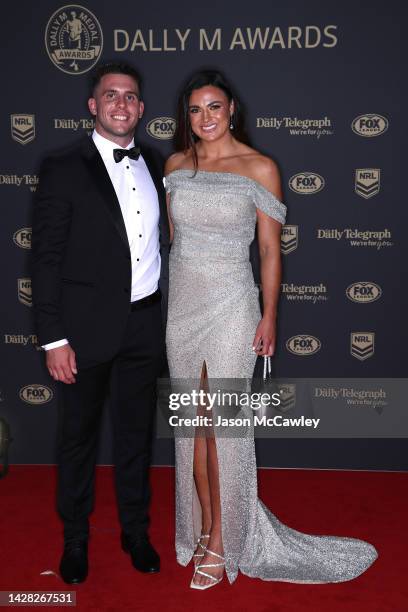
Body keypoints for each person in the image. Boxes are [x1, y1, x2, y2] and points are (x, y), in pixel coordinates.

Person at [164, 70, 377, 590]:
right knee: (191, 427)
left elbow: (267, 250)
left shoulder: (260, 167)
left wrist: (270, 314)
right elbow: (174, 242)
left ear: (231, 108)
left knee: (225, 429)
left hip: (234, 305)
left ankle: (223, 540)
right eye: (195, 110)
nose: (205, 119)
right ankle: (201, 524)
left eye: (214, 107)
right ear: (185, 117)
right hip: (183, 310)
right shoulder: (174, 165)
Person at [31, 62, 169, 584]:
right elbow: (45, 259)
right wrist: (54, 338)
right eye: (110, 95)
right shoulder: (63, 165)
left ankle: (136, 533)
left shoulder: (156, 162)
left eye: (130, 96)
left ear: (140, 107)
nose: (120, 104)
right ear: (93, 105)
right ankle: (75, 540)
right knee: (78, 440)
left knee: (136, 439)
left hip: (143, 327)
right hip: (82, 331)